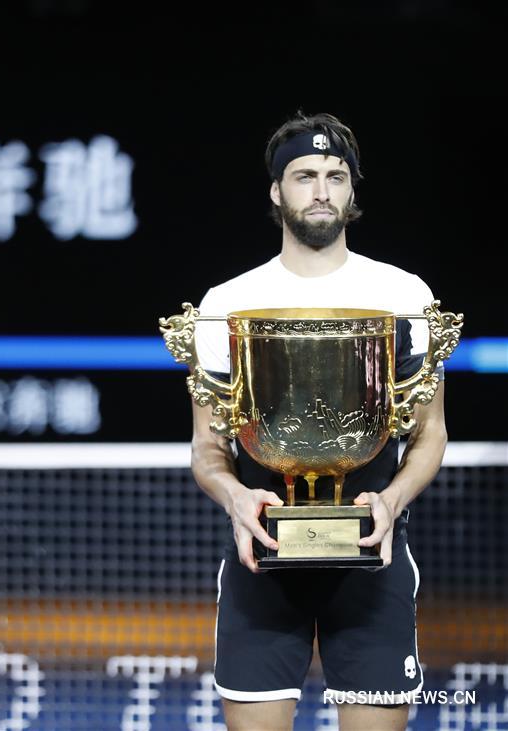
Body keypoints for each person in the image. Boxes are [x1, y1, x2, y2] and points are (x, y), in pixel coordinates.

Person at [191, 112, 447, 731]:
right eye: (305, 176)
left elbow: (430, 432)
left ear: (353, 190)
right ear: (277, 191)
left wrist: (389, 501)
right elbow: (207, 447)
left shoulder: (405, 294)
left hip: (373, 559)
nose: (322, 190)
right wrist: (235, 497)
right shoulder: (226, 303)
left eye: (336, 176)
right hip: (262, 560)